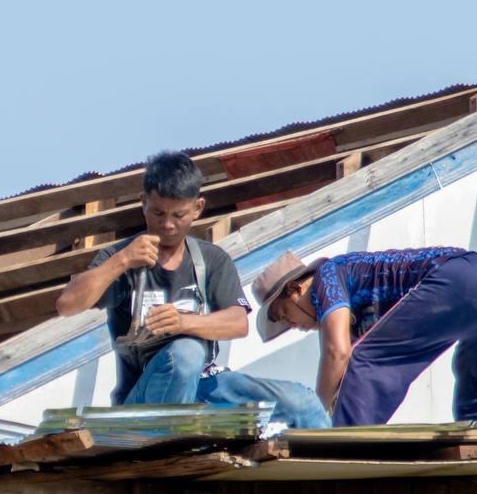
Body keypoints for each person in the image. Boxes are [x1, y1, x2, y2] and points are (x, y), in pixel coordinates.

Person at [52, 151, 332, 428]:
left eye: (179, 214)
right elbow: (67, 304)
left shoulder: (211, 259)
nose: (167, 224)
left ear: (198, 208)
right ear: (143, 202)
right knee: (187, 353)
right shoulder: (121, 258)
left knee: (302, 402)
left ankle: (337, 458)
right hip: (143, 402)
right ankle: (168, 439)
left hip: (205, 386)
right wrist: (121, 261)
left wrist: (183, 322)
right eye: (158, 213)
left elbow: (238, 323)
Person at [249, 244, 477, 426]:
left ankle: (344, 451)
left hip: (459, 278)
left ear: (296, 289)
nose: (293, 325)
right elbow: (343, 377)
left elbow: (337, 353)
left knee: (367, 362)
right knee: (473, 363)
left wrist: (315, 414)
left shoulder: (327, 275)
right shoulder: (356, 309)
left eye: (284, 314)